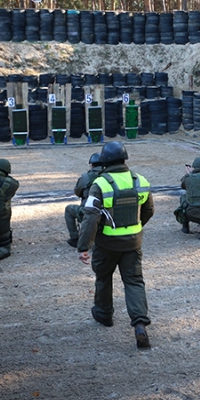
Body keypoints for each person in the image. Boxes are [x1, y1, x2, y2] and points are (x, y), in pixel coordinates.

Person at [77, 141, 154, 349]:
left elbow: (90, 218)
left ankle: (104, 315)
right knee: (135, 282)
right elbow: (148, 211)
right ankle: (139, 325)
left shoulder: (100, 184)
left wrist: (84, 246)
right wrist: (135, 228)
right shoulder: (141, 181)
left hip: (107, 244)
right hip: (133, 242)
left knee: (103, 278)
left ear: (104, 160)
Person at [64, 153, 104, 248]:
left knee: (69, 210)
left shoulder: (86, 177)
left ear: (92, 165)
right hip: (109, 213)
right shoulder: (110, 176)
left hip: (88, 213)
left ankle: (74, 239)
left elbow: (77, 192)